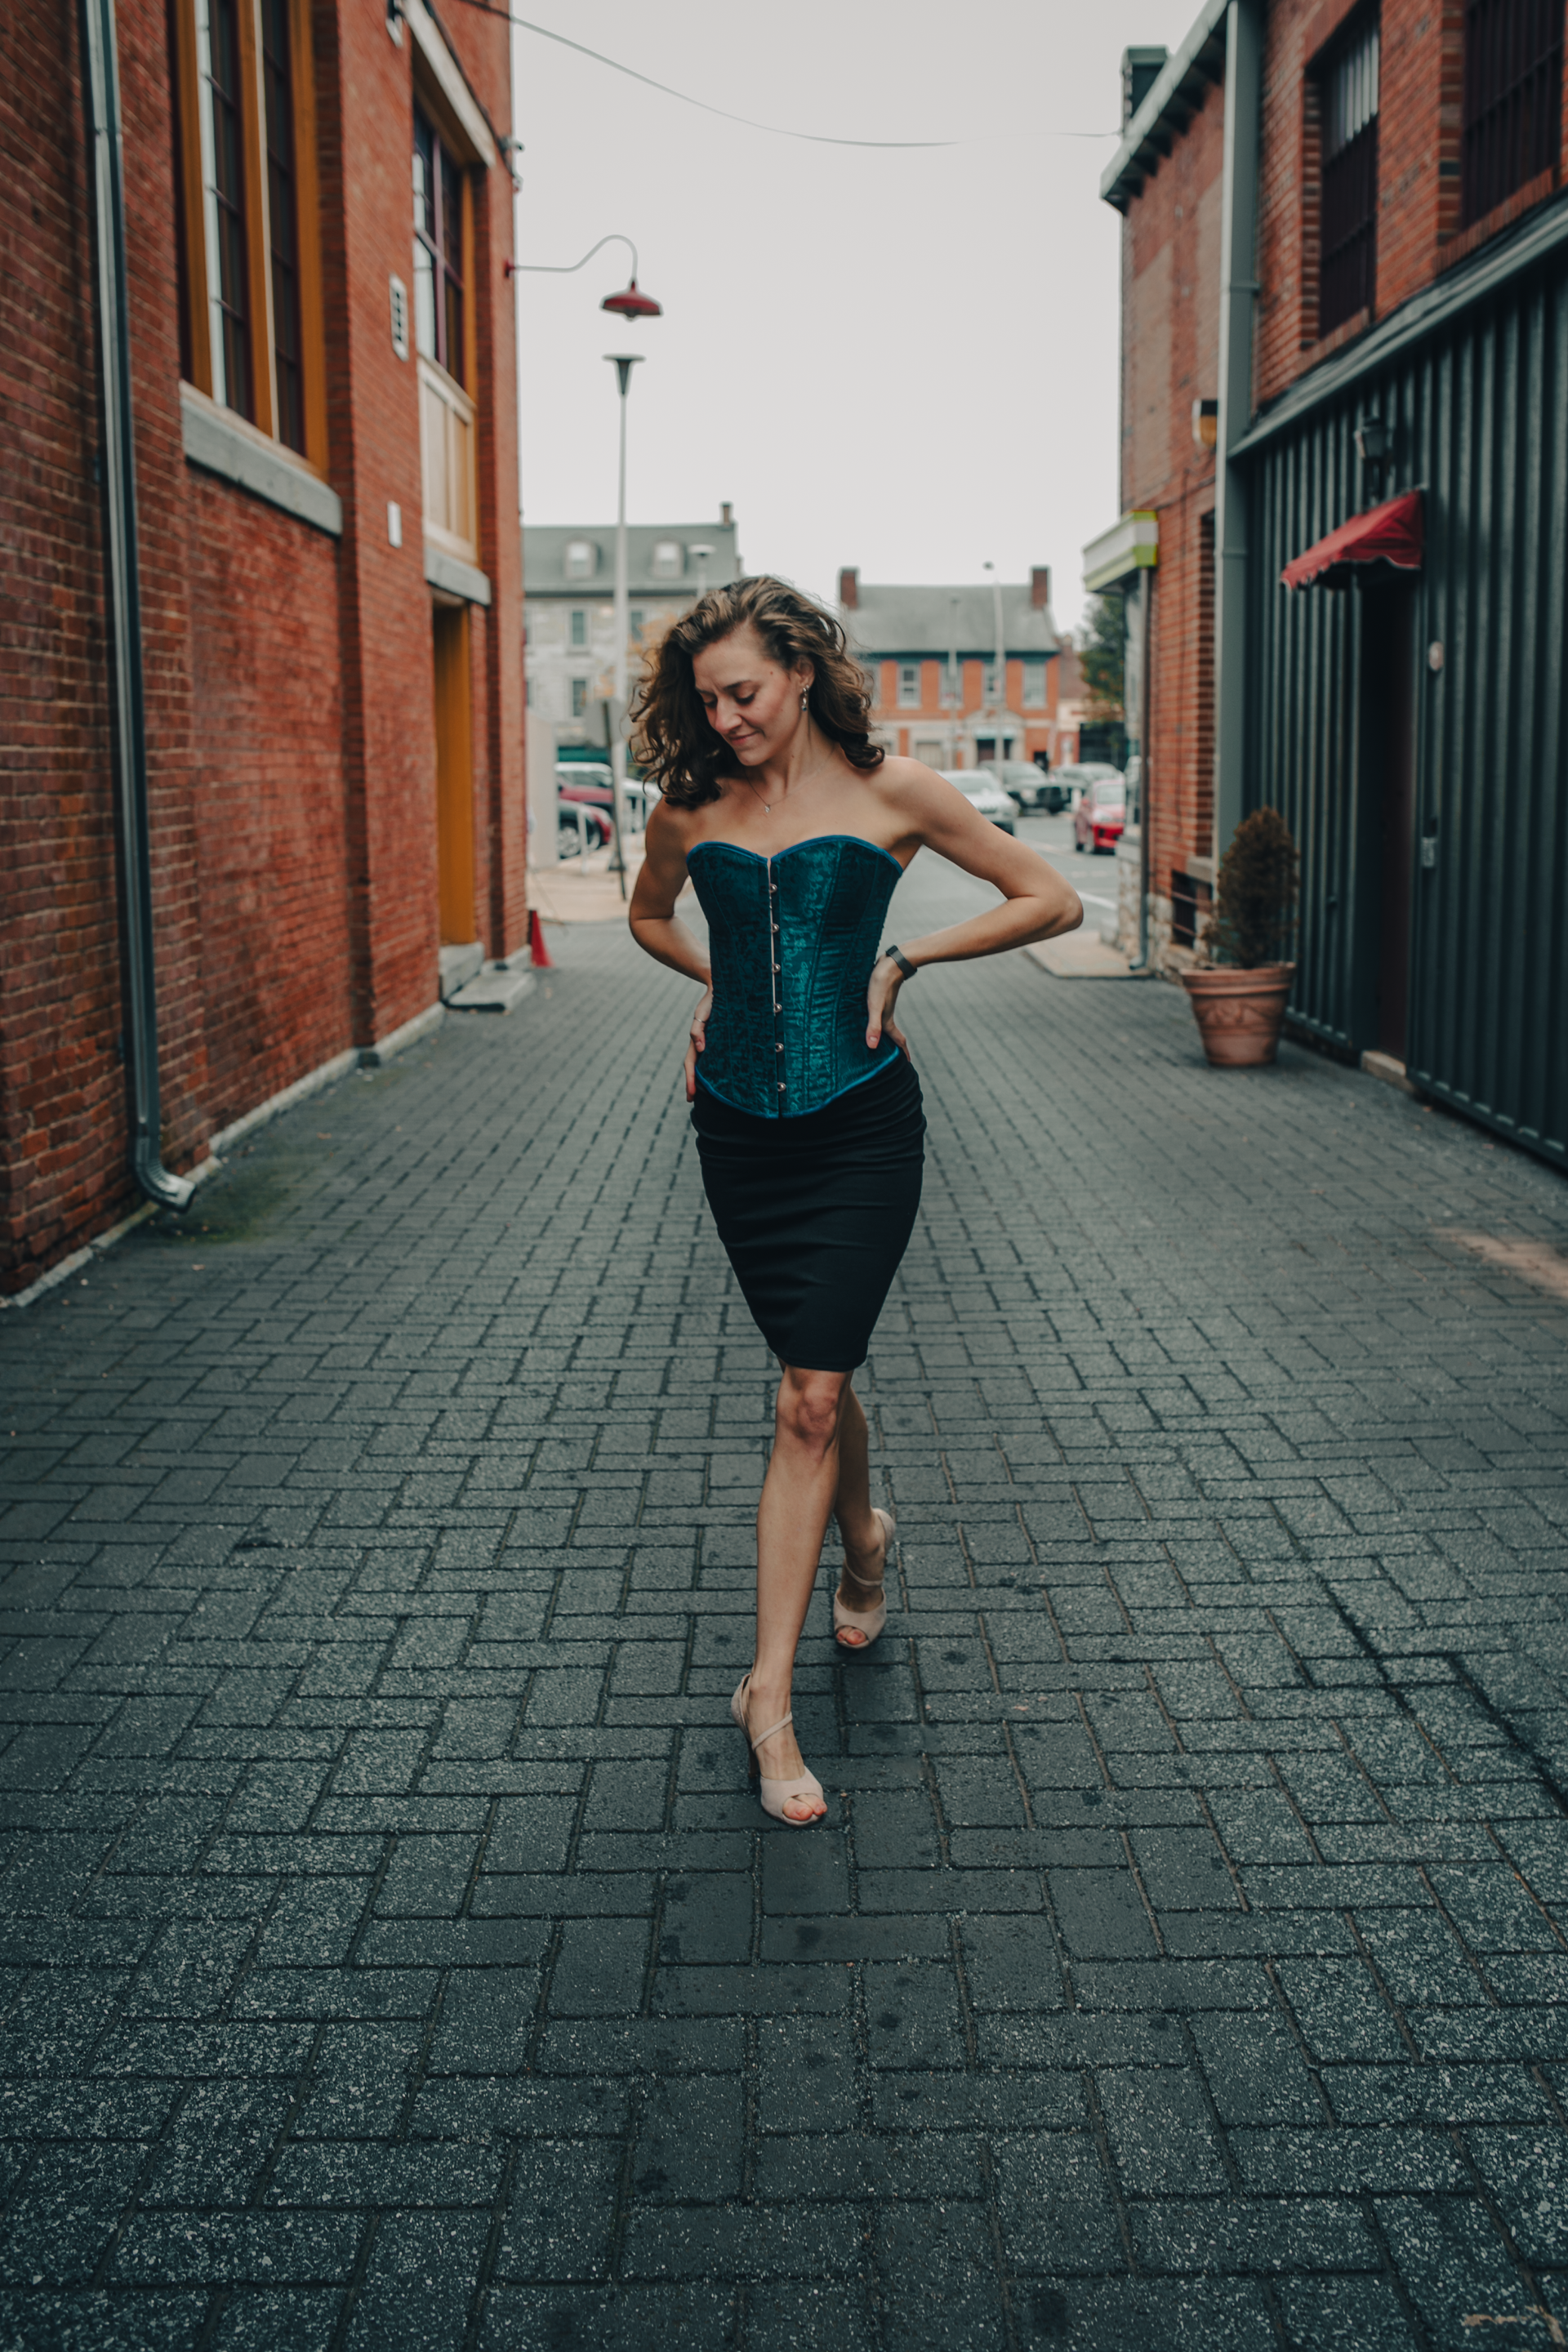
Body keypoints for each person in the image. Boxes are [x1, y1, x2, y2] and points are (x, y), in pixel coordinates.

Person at [628, 578, 1081, 1824]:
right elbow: (649, 916)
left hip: (862, 1126)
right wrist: (720, 985)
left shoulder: (898, 792)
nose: (724, 719)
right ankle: (865, 1540)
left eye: (743, 692)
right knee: (812, 1382)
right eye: (706, 700)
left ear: (802, 673)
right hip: (738, 1128)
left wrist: (906, 958)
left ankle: (765, 1697)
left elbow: (1050, 898)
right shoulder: (690, 806)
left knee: (809, 1398)